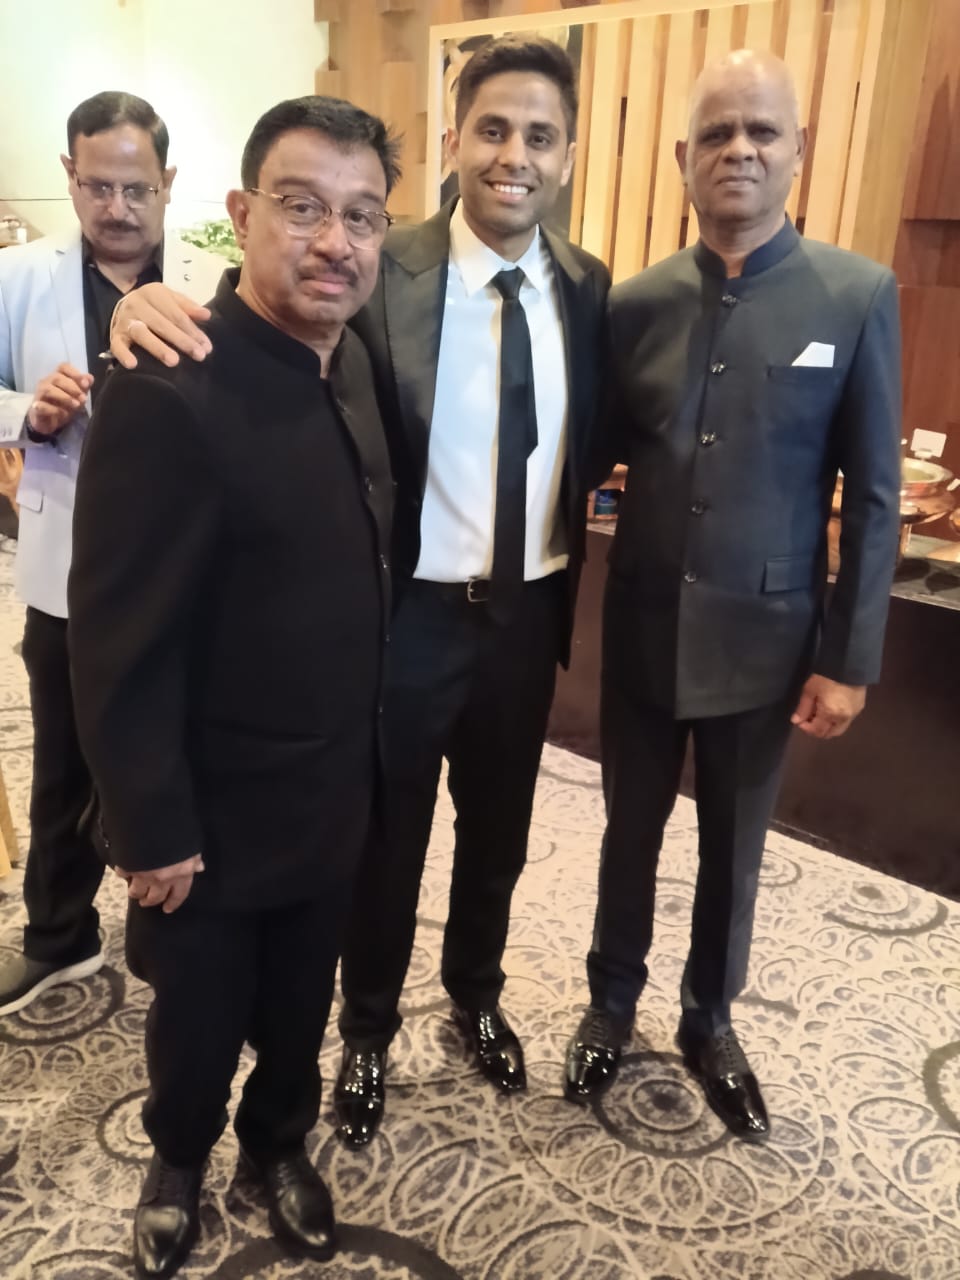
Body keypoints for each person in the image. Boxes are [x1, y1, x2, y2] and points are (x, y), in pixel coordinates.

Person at [108, 36, 611, 1149]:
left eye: (539, 135)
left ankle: (475, 993)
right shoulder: (384, 264)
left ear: (568, 155)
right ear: (455, 141)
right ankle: (369, 1027)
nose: (515, 155)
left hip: (527, 612)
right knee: (386, 840)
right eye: (493, 129)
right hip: (411, 615)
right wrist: (135, 309)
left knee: (500, 833)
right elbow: (275, 333)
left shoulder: (587, 285)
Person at [68, 96, 397, 1278]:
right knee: (198, 1018)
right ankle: (176, 1159)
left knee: (302, 1001)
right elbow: (116, 636)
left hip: (331, 783)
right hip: (210, 807)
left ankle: (278, 1140)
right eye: (303, 208)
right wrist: (151, 823)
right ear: (242, 213)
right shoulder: (172, 385)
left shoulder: (355, 362)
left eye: (362, 216)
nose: (334, 241)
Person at [563, 50, 902, 1142]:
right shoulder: (635, 303)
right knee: (627, 832)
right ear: (684, 157)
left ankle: (710, 1020)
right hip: (642, 627)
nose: (739, 150)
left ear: (799, 149)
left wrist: (849, 657)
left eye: (762, 131)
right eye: (717, 133)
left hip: (768, 639)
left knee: (734, 849)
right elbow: (583, 456)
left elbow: (876, 494)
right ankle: (610, 1002)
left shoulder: (855, 295)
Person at [0, 91, 223, 1016]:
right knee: (65, 762)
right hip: (68, 569)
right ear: (69, 176)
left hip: (188, 574)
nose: (118, 207)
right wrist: (28, 413)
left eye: (138, 188)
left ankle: (181, 943)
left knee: (182, 757)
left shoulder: (216, 278)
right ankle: (59, 936)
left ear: (168, 181)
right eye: (98, 186)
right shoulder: (19, 277)